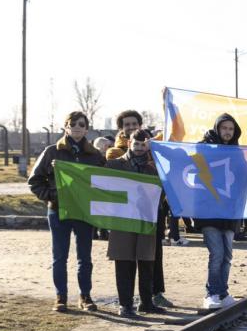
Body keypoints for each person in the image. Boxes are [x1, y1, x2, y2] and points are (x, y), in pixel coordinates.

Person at [29, 111, 106, 312]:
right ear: (66, 127)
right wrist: (53, 196)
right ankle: (60, 297)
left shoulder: (94, 155)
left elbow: (104, 182)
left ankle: (85, 296)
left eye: (81, 124)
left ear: (87, 128)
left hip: (83, 212)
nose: (77, 127)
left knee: (85, 257)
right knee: (59, 256)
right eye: (73, 124)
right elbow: (35, 181)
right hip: (58, 211)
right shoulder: (52, 152)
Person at [104, 129, 161, 317]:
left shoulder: (153, 169)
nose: (139, 148)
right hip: (122, 220)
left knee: (146, 262)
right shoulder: (114, 165)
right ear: (129, 144)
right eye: (136, 144)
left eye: (143, 144)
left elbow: (162, 193)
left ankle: (146, 302)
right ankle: (125, 305)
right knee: (124, 263)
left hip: (145, 219)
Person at [192, 114, 245, 310]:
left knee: (228, 255)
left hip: (230, 211)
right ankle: (211, 293)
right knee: (217, 253)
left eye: (231, 129)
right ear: (217, 128)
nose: (227, 132)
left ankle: (222, 292)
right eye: (224, 128)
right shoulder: (204, 147)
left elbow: (245, 175)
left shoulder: (238, 152)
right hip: (208, 210)